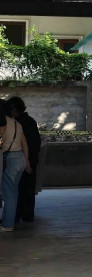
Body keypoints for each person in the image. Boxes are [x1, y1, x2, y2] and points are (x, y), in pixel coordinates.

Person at [7, 97, 41, 224]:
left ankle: (15, 216)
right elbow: (36, 143)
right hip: (30, 159)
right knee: (27, 189)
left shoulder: (16, 124)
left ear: (14, 109)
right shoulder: (30, 121)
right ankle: (27, 215)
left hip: (21, 160)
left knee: (16, 189)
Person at [0, 100, 31, 232]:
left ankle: (7, 224)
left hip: (11, 158)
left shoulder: (3, 123)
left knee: (8, 194)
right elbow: (24, 144)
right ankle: (9, 222)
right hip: (20, 159)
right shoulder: (17, 123)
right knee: (13, 192)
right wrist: (27, 161)